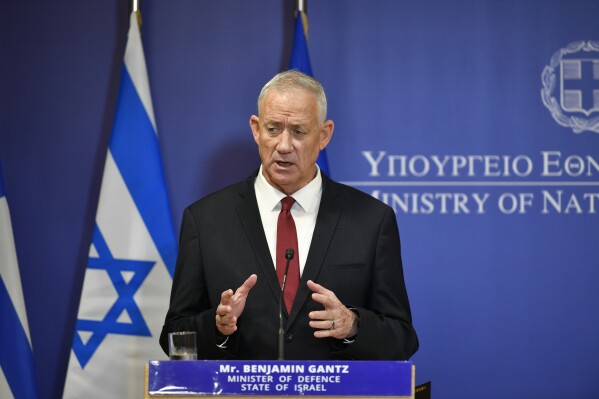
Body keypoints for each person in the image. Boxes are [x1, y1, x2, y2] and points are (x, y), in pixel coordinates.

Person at [159, 70, 418, 360]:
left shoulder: (371, 220)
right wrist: (218, 328)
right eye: (272, 129)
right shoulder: (205, 220)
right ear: (256, 129)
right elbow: (173, 336)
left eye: (298, 131)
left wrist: (353, 326)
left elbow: (402, 338)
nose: (283, 145)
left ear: (324, 135)